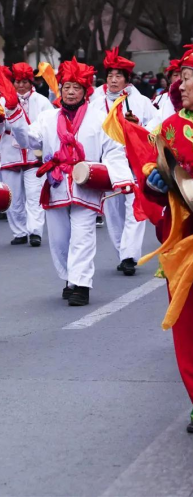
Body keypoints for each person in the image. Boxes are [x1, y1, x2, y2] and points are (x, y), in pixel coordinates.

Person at [3, 58, 134, 306]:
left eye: (76, 87)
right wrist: (13, 113)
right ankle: (70, 278)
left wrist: (123, 179)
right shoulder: (48, 118)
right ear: (60, 89)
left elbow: (114, 150)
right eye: (66, 87)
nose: (71, 92)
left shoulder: (100, 118)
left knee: (83, 235)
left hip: (87, 185)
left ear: (85, 91)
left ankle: (81, 284)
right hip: (56, 184)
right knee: (59, 239)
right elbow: (27, 139)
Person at [139, 46, 193, 433]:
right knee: (187, 325)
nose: (181, 85)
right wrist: (155, 182)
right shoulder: (167, 129)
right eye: (183, 77)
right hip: (184, 242)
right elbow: (152, 184)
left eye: (188, 78)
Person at [91, 48, 157, 276]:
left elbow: (155, 126)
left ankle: (130, 256)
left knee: (134, 206)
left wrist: (138, 127)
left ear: (126, 79)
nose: (113, 80)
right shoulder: (96, 103)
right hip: (109, 164)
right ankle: (122, 251)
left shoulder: (142, 102)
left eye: (118, 76)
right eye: (110, 76)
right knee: (113, 211)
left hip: (135, 163)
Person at [0, 63, 54, 247]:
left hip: (34, 155)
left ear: (31, 82)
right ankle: (19, 232)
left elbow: (49, 125)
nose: (21, 86)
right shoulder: (2, 101)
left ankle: (35, 231)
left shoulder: (42, 101)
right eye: (17, 82)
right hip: (10, 154)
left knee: (34, 195)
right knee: (13, 197)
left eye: (24, 82)